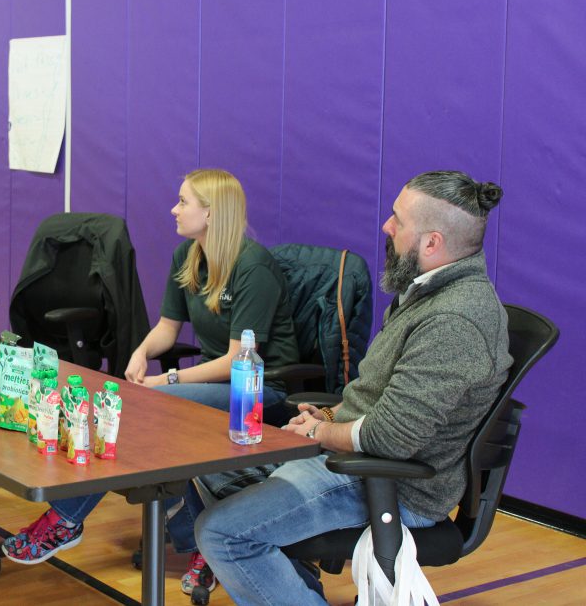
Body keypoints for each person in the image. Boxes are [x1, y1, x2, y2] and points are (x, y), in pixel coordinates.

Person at [193, 170, 512, 605]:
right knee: (207, 462)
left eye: (398, 220)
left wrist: (321, 433)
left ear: (431, 243)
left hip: (391, 485)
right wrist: (327, 416)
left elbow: (390, 438)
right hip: (357, 461)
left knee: (223, 533)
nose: (387, 226)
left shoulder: (453, 321)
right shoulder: (429, 294)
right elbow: (380, 400)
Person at [2, 169, 300, 598]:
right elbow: (166, 327)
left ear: (211, 214)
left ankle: (65, 520)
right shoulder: (188, 255)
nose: (174, 210)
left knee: (140, 408)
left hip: (259, 390)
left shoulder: (253, 266)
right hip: (222, 384)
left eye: (183, 202)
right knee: (134, 405)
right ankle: (199, 539)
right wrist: (141, 353)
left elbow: (239, 359)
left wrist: (169, 379)